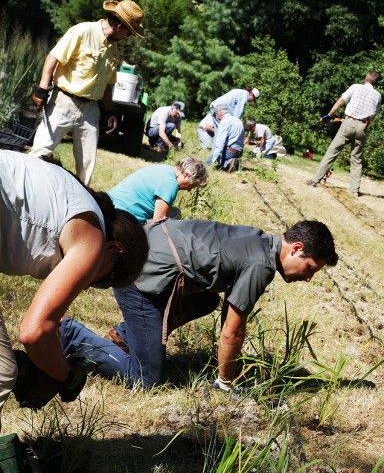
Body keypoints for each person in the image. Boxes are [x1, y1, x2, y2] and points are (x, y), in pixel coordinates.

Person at [59, 219, 338, 390]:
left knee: (206, 300)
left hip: (146, 252)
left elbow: (228, 312)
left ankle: (127, 335)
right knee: (147, 380)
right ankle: (72, 335)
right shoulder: (261, 264)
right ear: (297, 248)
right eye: (310, 268)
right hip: (140, 276)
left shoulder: (261, 241)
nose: (309, 278)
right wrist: (226, 382)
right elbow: (232, 331)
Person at [0, 150, 148, 415]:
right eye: (103, 281)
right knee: (2, 372)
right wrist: (68, 375)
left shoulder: (71, 195)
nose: (89, 284)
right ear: (114, 248)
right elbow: (34, 332)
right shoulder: (93, 236)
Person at [29, 0, 145, 185]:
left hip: (90, 110)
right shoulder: (82, 31)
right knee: (40, 152)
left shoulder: (114, 51)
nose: (128, 36)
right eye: (129, 31)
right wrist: (42, 89)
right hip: (63, 102)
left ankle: (79, 205)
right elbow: (53, 57)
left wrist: (111, 111)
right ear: (118, 24)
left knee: (86, 166)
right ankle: (24, 191)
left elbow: (108, 84)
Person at [305, 71, 381, 198]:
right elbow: (373, 115)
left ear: (365, 79)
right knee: (356, 159)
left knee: (332, 152)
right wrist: (366, 125)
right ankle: (354, 191)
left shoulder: (355, 87)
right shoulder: (378, 95)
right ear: (376, 82)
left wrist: (328, 115)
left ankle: (315, 180)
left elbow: (340, 101)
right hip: (362, 126)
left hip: (348, 122)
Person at [108, 158, 208, 224]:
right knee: (174, 216)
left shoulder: (165, 169)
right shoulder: (170, 184)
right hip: (122, 217)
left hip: (110, 204)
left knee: (174, 212)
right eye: (192, 185)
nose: (189, 190)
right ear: (186, 175)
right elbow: (158, 222)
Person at [207, 104, 244, 172]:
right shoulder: (238, 120)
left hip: (230, 151)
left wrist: (213, 161)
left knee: (209, 161)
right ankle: (234, 161)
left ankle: (228, 163)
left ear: (220, 112)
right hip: (239, 152)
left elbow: (220, 143)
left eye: (216, 113)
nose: (216, 116)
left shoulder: (224, 121)